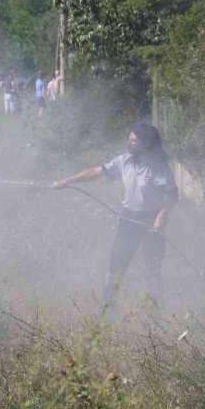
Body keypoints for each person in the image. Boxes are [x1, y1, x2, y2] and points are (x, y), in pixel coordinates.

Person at [52, 123, 178, 310]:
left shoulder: (159, 167)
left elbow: (172, 195)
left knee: (152, 268)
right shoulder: (125, 161)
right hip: (129, 220)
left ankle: (155, 313)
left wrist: (161, 216)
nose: (130, 144)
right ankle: (107, 309)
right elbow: (96, 171)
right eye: (129, 140)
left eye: (134, 141)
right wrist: (66, 181)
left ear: (147, 144)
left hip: (153, 222)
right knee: (116, 264)